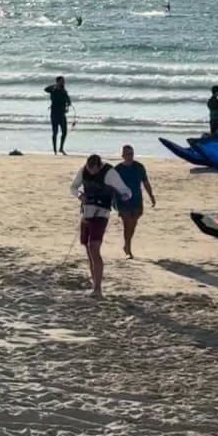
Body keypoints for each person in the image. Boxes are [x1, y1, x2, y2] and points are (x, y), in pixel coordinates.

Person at [70, 154, 131, 297]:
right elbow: (73, 187)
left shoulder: (109, 173)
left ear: (99, 166)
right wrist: (79, 195)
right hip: (86, 213)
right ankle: (95, 283)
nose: (91, 173)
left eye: (94, 171)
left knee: (94, 247)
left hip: (101, 213)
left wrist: (124, 197)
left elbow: (126, 191)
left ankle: (98, 289)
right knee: (88, 248)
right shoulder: (84, 170)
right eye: (89, 170)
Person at [114, 144, 156, 258]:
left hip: (137, 200)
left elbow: (145, 182)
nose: (130, 156)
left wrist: (151, 196)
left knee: (133, 225)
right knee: (127, 223)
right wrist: (113, 199)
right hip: (123, 201)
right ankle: (128, 248)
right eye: (128, 154)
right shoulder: (118, 169)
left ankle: (127, 245)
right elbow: (112, 185)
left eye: (132, 154)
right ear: (123, 155)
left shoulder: (139, 167)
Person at [45, 76, 71, 155]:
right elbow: (45, 89)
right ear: (58, 81)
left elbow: (68, 100)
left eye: (64, 81)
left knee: (64, 132)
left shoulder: (64, 91)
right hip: (54, 114)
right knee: (55, 132)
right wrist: (55, 85)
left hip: (62, 114)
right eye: (62, 81)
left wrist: (68, 106)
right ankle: (55, 150)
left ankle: (61, 148)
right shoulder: (53, 90)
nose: (63, 82)